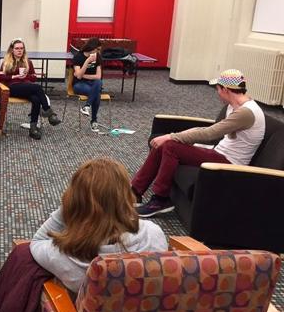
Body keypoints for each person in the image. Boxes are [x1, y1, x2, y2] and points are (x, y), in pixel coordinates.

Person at [133, 69, 265, 218]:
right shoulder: (234, 106)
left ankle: (160, 199)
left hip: (229, 162)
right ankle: (135, 191)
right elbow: (210, 130)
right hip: (219, 152)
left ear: (226, 89)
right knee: (165, 143)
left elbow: (210, 134)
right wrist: (171, 137)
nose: (217, 93)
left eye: (218, 89)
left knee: (170, 146)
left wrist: (171, 136)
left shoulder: (246, 113)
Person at [30, 158, 168, 293]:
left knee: (23, 257)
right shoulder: (154, 234)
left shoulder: (62, 255)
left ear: (74, 200)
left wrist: (68, 206)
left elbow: (37, 241)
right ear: (126, 195)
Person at [0, 38, 61, 140]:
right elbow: (0, 77)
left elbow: (33, 77)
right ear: (12, 50)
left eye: (21, 48)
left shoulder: (27, 62)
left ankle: (33, 128)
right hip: (12, 88)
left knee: (36, 99)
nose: (19, 50)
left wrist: (26, 76)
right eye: (17, 48)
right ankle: (48, 111)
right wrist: (14, 77)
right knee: (37, 87)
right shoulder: (6, 62)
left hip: (26, 87)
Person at [72, 37, 103, 133]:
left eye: (99, 50)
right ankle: (94, 121)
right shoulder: (78, 57)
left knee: (99, 82)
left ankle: (87, 106)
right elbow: (79, 77)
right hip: (79, 84)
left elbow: (98, 76)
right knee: (96, 94)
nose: (98, 52)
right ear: (92, 47)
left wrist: (82, 75)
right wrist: (87, 61)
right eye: (97, 49)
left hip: (92, 84)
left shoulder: (98, 57)